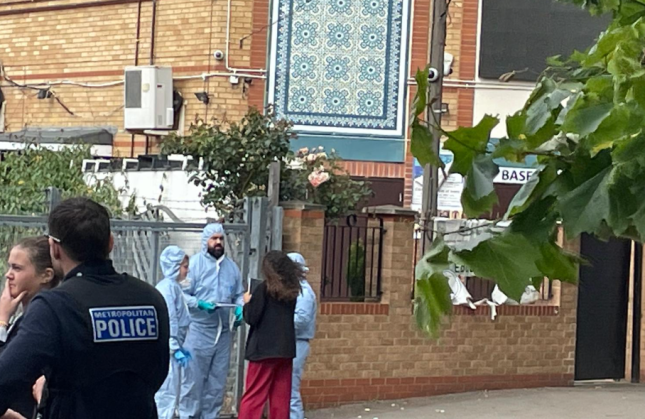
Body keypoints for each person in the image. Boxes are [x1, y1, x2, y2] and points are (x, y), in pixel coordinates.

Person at [0, 197, 170, 418]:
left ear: (55, 249)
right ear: (110, 243)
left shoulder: (56, 307)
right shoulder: (151, 298)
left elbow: (6, 380)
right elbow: (156, 374)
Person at [180, 223, 244, 419]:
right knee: (193, 383)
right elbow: (181, 295)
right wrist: (198, 303)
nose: (218, 242)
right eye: (214, 238)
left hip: (223, 334)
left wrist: (240, 306)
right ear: (205, 241)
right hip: (198, 332)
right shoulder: (194, 266)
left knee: (216, 385)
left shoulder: (231, 268)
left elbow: (238, 294)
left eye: (221, 238)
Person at [0, 237, 61, 418]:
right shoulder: (21, 319)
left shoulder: (42, 325)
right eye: (9, 267)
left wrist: (2, 321)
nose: (8, 275)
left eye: (17, 268)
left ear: (46, 275)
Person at [238, 251, 301, 419]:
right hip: (285, 349)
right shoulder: (292, 291)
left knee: (254, 396)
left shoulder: (263, 289)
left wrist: (247, 303)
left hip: (263, 350)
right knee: (281, 398)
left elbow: (252, 317)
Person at [155, 246, 192, 419]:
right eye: (184, 267)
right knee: (166, 394)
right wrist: (174, 347)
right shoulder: (167, 288)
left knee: (172, 392)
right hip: (168, 350)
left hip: (172, 348)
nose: (187, 270)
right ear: (174, 266)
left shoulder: (173, 286)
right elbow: (170, 319)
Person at [286, 253, 317, 419]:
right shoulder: (295, 290)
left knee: (290, 390)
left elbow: (300, 320)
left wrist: (279, 323)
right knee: (287, 388)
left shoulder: (304, 292)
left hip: (297, 342)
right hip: (292, 342)